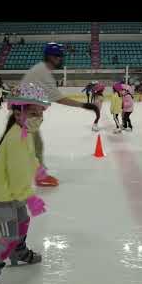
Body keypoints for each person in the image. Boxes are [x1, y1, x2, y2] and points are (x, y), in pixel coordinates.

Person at [0, 85, 50, 284]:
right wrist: (31, 198)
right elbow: (17, 179)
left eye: (41, 113)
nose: (39, 118)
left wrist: (38, 168)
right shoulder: (16, 138)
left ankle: (19, 252)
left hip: (13, 191)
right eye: (34, 113)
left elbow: (29, 158)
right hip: (1, 195)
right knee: (8, 237)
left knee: (23, 221)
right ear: (18, 112)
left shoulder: (25, 132)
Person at [19, 42, 100, 187]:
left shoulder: (41, 70)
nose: (61, 60)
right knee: (29, 148)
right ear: (51, 57)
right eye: (59, 57)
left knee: (35, 146)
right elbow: (60, 99)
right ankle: (29, 178)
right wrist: (85, 105)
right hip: (26, 118)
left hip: (26, 116)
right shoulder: (43, 73)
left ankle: (38, 175)